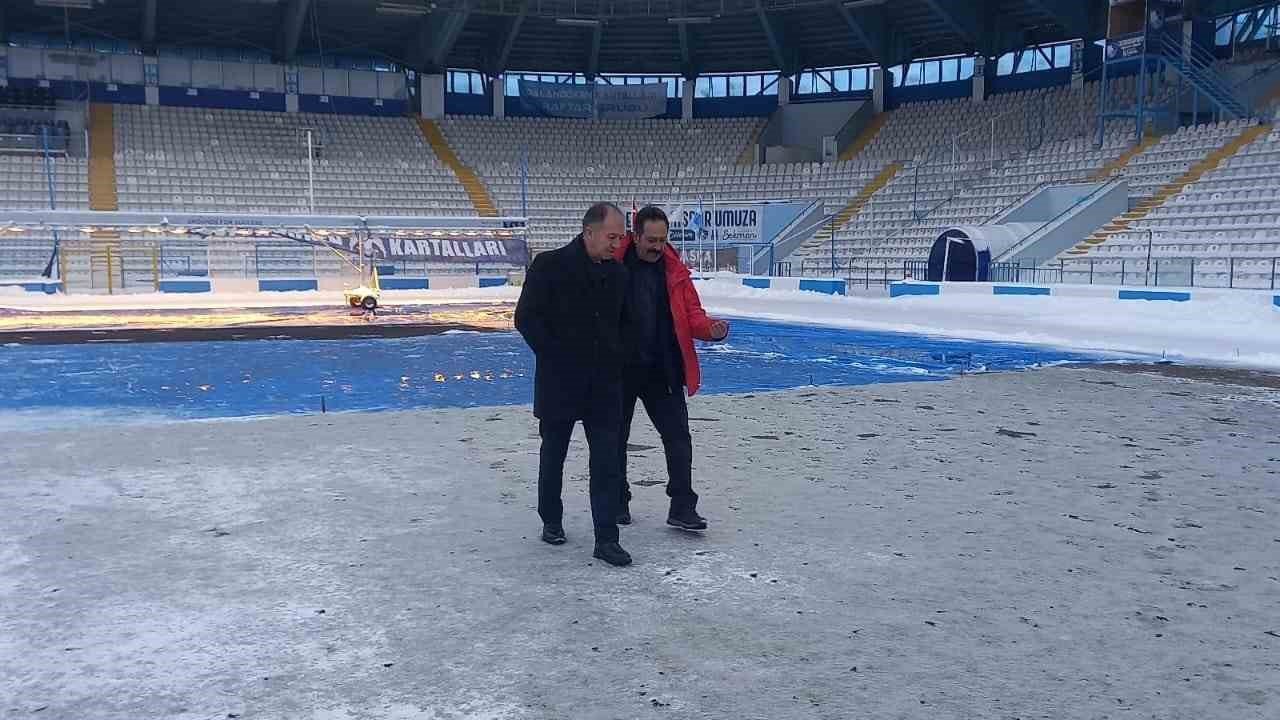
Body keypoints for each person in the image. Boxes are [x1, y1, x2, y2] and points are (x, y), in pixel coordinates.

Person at [514, 202, 633, 567]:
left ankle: (606, 538)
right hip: (560, 382)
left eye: (621, 237)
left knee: (607, 461)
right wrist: (554, 356)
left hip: (604, 386)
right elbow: (526, 318)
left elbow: (624, 324)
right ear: (589, 232)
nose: (617, 244)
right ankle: (551, 519)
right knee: (554, 456)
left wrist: (618, 359)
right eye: (612, 237)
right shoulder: (549, 265)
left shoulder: (618, 274)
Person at [613, 206, 728, 531]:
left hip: (663, 368)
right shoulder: (612, 266)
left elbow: (693, 314)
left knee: (678, 438)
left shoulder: (675, 271)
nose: (657, 247)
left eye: (662, 240)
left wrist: (710, 329)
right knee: (614, 439)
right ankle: (617, 500)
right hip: (620, 370)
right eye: (651, 240)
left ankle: (682, 506)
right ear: (635, 236)